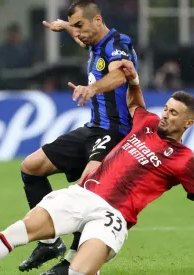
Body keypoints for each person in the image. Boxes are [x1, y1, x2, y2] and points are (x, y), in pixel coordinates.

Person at [0, 60, 194, 275]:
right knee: (14, 234)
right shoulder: (146, 123)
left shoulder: (185, 161)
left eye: (173, 114)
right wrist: (134, 80)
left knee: (76, 273)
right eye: (166, 109)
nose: (165, 116)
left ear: (188, 122)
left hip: (113, 218)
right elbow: (135, 103)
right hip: (82, 195)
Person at [19, 0, 138, 272]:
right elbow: (83, 39)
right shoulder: (94, 43)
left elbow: (121, 74)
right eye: (75, 27)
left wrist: (92, 88)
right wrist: (65, 27)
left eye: (80, 25)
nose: (78, 32)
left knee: (86, 191)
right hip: (93, 128)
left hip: (116, 133)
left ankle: (72, 261)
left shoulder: (118, 42)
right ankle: (50, 242)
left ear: (98, 20)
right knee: (31, 168)